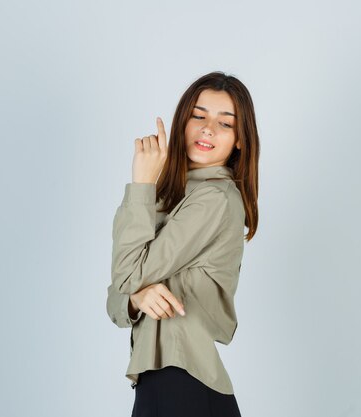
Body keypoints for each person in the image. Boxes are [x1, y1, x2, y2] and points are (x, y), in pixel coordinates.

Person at [106, 71, 260, 417]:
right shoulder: (168, 196)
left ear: (240, 140)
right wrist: (137, 296)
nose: (208, 129)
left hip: (181, 382)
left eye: (225, 123)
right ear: (183, 122)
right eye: (199, 115)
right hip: (166, 382)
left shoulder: (214, 198)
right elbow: (116, 297)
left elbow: (128, 273)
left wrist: (141, 185)